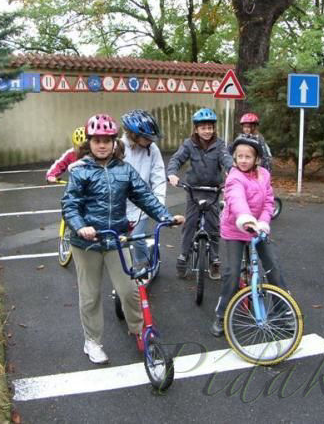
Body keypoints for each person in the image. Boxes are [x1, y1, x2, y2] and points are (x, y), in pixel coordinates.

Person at [61, 114, 184, 364]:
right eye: (97, 140)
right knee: (91, 295)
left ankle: (140, 331)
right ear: (89, 142)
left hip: (116, 239)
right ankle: (92, 342)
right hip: (87, 243)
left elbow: (144, 196)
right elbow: (70, 205)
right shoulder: (80, 171)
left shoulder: (124, 170)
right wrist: (81, 226)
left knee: (129, 290)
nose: (102, 145)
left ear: (115, 142)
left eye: (107, 140)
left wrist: (165, 216)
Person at [210, 134, 288, 337]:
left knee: (273, 267)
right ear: (234, 158)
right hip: (235, 229)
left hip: (258, 229)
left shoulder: (264, 175)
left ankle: (283, 312)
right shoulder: (234, 176)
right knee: (232, 273)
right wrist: (246, 218)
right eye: (239, 156)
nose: (243, 160)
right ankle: (222, 314)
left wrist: (262, 222)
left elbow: (269, 202)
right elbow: (236, 199)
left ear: (256, 159)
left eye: (248, 156)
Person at [167, 107, 233, 280]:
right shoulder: (189, 144)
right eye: (203, 128)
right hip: (193, 190)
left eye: (210, 127)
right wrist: (172, 173)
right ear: (196, 129)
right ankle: (183, 256)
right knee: (190, 224)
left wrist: (233, 172)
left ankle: (214, 260)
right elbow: (177, 159)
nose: (207, 131)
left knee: (213, 227)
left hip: (212, 190)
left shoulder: (219, 144)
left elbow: (227, 159)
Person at [120, 110, 166, 269]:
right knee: (120, 242)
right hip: (121, 204)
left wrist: (158, 205)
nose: (150, 141)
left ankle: (144, 264)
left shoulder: (152, 149)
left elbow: (158, 177)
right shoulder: (118, 148)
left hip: (142, 203)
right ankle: (125, 271)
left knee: (137, 237)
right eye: (146, 138)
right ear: (133, 134)